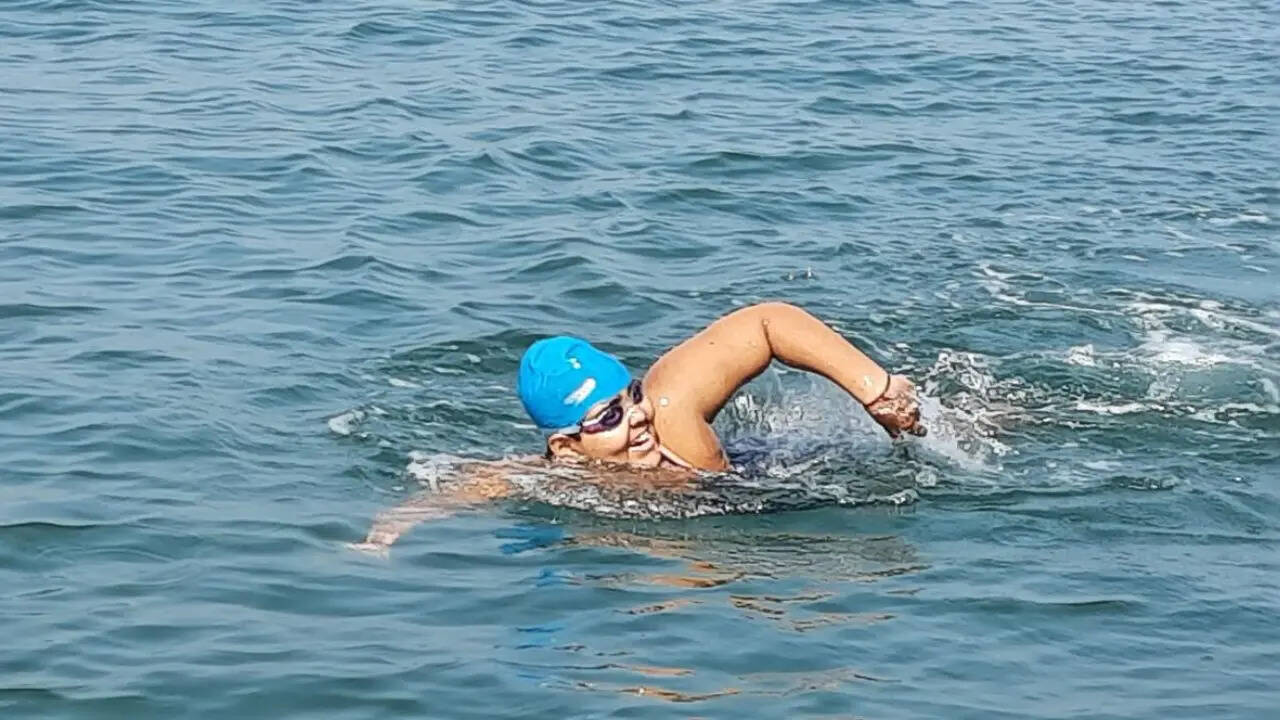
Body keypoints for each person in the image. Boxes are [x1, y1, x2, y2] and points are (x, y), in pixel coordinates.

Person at [350, 302, 924, 552]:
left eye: (631, 395)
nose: (638, 417)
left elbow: (768, 322)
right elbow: (461, 487)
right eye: (609, 416)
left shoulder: (670, 413)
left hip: (781, 470)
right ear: (566, 447)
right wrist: (384, 536)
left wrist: (877, 392)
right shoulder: (557, 482)